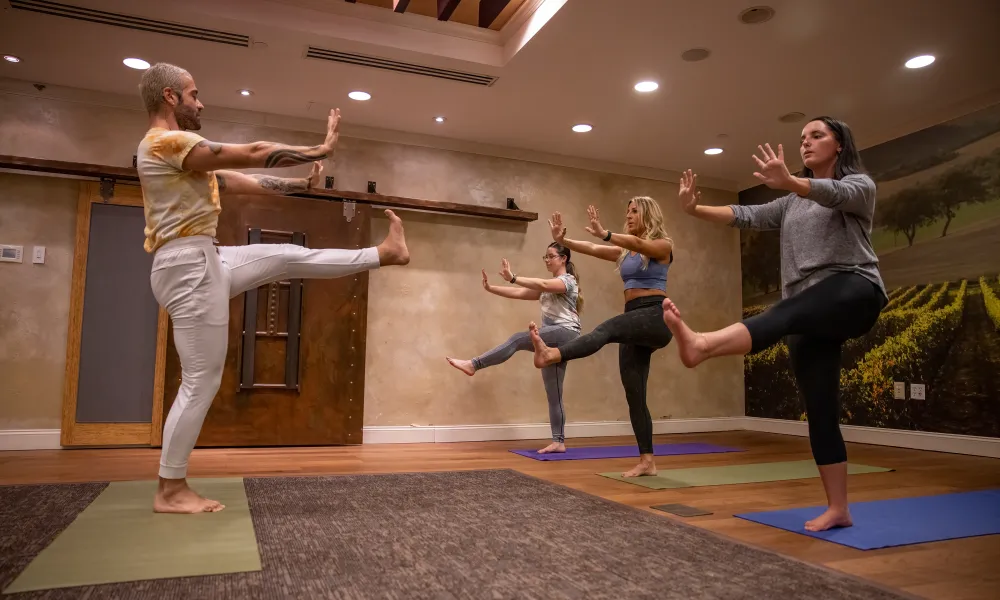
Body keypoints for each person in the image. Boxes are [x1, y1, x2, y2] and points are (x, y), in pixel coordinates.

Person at [136, 62, 410, 514]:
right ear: (170, 97)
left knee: (287, 256)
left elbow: (241, 180)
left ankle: (384, 254)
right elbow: (254, 152)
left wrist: (303, 184)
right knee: (200, 382)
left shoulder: (183, 157)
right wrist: (319, 147)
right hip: (188, 266)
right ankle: (170, 489)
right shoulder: (166, 143)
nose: (200, 102)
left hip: (204, 258)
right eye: (193, 93)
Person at [660, 116, 887, 532]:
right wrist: (694, 209)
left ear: (839, 145)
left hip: (853, 291)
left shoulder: (859, 187)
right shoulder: (791, 202)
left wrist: (791, 182)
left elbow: (832, 193)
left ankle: (702, 346)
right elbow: (745, 215)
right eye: (802, 138)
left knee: (781, 316)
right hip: (806, 308)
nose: (806, 143)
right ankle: (839, 508)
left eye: (816, 136)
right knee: (820, 409)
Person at [528, 198, 674, 477]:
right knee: (635, 394)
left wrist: (605, 232)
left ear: (648, 214)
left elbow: (641, 245)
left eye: (634, 211)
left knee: (605, 330)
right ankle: (647, 461)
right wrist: (565, 240)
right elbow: (595, 249)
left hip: (655, 316)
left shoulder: (663, 245)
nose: (629, 215)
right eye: (627, 211)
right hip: (634, 318)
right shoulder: (625, 250)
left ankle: (553, 354)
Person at [446, 243, 584, 453]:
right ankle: (559, 441)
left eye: (550, 256)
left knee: (519, 339)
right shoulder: (548, 287)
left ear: (563, 259)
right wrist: (491, 288)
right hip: (551, 340)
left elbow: (544, 284)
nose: (547, 260)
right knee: (553, 392)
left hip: (565, 332)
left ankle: (474, 364)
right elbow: (521, 293)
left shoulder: (567, 281)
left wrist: (513, 276)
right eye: (544, 257)